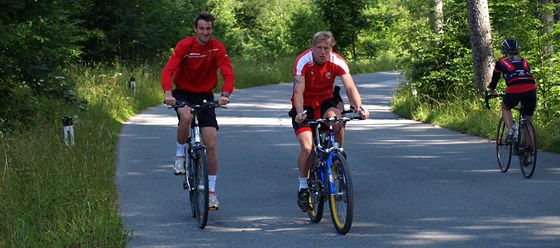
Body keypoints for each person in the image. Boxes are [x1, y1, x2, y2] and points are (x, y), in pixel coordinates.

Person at [289, 31, 369, 212]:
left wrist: (359, 107)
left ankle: (337, 153)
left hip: (325, 100)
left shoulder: (337, 61)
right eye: (319, 48)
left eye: (326, 48)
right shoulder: (303, 61)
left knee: (336, 119)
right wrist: (300, 113)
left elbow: (349, 86)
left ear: (331, 49)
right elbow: (298, 91)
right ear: (312, 48)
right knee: (308, 148)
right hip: (304, 104)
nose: (323, 52)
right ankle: (303, 187)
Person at [161, 12, 234, 210]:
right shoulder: (185, 46)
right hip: (183, 93)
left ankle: (211, 193)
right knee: (185, 116)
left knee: (210, 143)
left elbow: (227, 71)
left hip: (205, 95)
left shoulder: (217, 47)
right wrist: (168, 93)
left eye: (208, 29)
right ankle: (179, 155)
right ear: (195, 30)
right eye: (201, 28)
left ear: (212, 29)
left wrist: (225, 93)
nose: (205, 32)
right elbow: (168, 70)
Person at [488, 39, 537, 144]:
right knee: (528, 122)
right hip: (531, 89)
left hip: (514, 89)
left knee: (505, 107)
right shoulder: (524, 61)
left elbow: (495, 78)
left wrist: (492, 90)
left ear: (504, 51)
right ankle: (528, 152)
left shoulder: (501, 62)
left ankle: (510, 130)